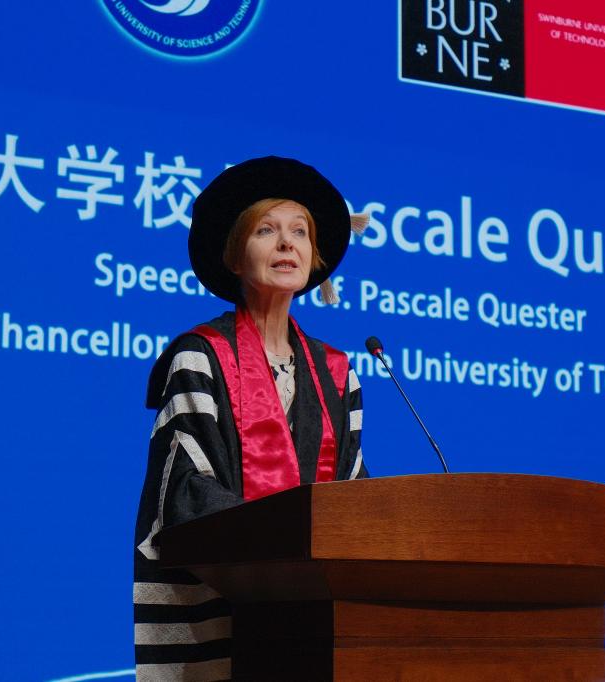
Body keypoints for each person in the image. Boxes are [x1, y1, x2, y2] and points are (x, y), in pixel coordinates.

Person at [132, 156, 367, 681]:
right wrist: (287, 542)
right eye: (266, 230)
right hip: (228, 607)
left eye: (300, 232)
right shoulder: (199, 358)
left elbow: (352, 494)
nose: (287, 244)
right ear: (236, 257)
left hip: (319, 620)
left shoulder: (338, 373)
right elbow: (187, 491)